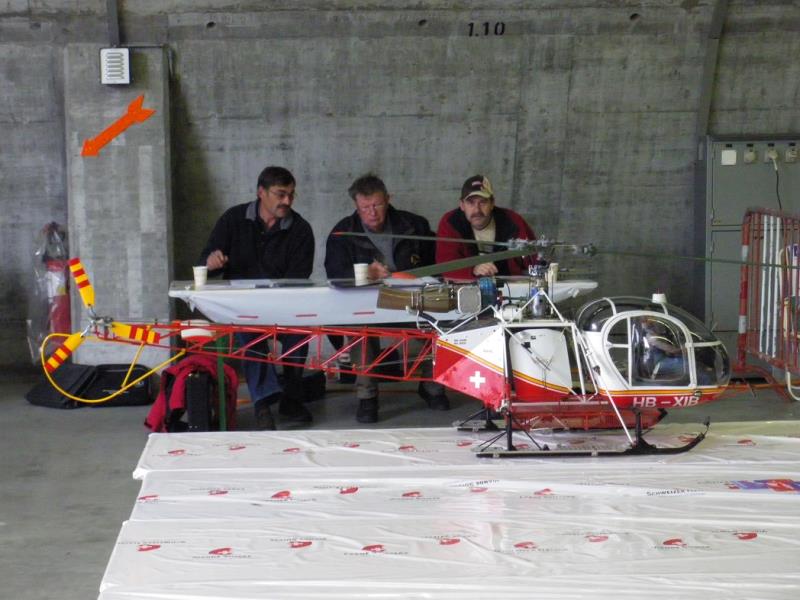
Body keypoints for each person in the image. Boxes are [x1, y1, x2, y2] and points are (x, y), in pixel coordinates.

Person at [325, 174, 449, 423]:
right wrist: (364, 274)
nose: (372, 213)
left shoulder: (415, 226)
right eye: (365, 207)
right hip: (366, 302)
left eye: (377, 205)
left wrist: (415, 278)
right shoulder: (342, 233)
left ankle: (432, 386)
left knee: (444, 321)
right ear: (356, 206)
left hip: (411, 299)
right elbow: (335, 275)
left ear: (388, 199)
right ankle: (367, 395)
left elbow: (438, 266)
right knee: (359, 328)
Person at [200, 166, 314, 430]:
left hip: (284, 306)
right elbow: (204, 262)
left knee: (300, 334)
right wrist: (211, 262)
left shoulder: (300, 229)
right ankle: (263, 404)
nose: (287, 201)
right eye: (280, 194)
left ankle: (290, 399)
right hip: (243, 309)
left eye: (291, 195)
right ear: (261, 192)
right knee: (249, 334)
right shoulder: (233, 219)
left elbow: (299, 279)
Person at [436, 175, 536, 280]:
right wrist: (473, 270)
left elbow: (534, 258)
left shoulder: (513, 221)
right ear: (462, 205)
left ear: (492, 203)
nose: (477, 210)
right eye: (470, 202)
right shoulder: (450, 223)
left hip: (510, 285)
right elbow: (445, 266)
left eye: (483, 202)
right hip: (466, 286)